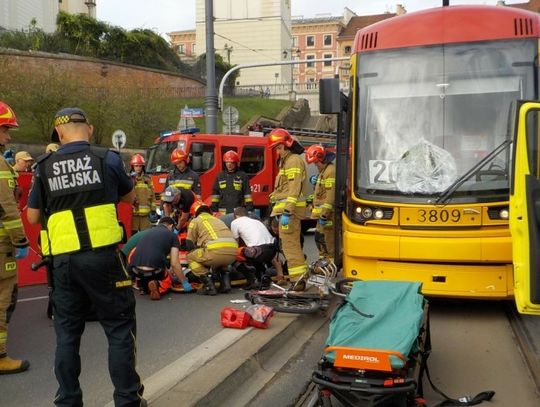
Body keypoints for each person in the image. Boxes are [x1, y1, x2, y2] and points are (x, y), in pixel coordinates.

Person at [26, 107, 145, 406]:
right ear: (89, 129)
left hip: (63, 264)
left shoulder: (44, 166)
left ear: (59, 134)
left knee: (67, 334)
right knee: (118, 329)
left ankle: (68, 401)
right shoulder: (107, 159)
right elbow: (130, 197)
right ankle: (128, 400)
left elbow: (32, 216)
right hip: (104, 260)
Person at [0, 101, 30, 375]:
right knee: (3, 298)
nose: (8, 136)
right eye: (5, 129)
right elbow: (8, 209)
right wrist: (21, 241)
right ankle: (0, 356)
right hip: (2, 247)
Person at [268, 128, 308, 281]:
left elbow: (294, 189)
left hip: (289, 213)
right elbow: (285, 188)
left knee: (290, 246)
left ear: (286, 145)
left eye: (278, 148)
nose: (277, 152)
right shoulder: (287, 162)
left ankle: (298, 280)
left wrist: (287, 211)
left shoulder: (293, 161)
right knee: (290, 245)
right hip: (286, 212)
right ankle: (300, 278)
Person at [127, 217, 192, 300]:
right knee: (167, 280)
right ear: (171, 226)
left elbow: (134, 252)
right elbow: (174, 263)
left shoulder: (147, 232)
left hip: (134, 269)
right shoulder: (172, 236)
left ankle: (142, 286)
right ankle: (158, 285)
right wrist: (184, 282)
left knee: (147, 274)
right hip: (154, 271)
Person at [185, 202, 238, 296]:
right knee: (221, 259)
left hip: (215, 252)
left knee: (190, 256)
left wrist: (197, 253)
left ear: (194, 213)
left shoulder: (195, 220)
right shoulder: (218, 220)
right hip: (233, 253)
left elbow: (189, 243)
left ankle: (209, 286)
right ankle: (225, 284)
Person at [230, 207, 284, 289]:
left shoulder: (235, 222)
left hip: (257, 252)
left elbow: (235, 243)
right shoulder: (257, 221)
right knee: (258, 251)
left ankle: (251, 279)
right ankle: (275, 276)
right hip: (272, 250)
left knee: (234, 253)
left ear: (236, 215)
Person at [305, 144, 336, 261]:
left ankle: (330, 264)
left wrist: (324, 215)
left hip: (327, 216)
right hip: (321, 215)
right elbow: (320, 192)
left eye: (316, 163)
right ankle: (323, 263)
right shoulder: (324, 171)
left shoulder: (330, 171)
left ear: (322, 159)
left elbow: (330, 196)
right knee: (320, 238)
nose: (316, 165)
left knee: (327, 241)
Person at [210, 150, 253, 215]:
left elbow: (247, 194)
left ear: (236, 163)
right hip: (223, 212)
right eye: (227, 162)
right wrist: (214, 210)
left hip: (238, 212)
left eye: (231, 163)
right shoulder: (220, 176)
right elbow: (215, 194)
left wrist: (249, 209)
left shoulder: (242, 176)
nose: (229, 165)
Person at [130, 153, 156, 234]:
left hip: (145, 215)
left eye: (140, 166)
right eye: (136, 165)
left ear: (143, 167)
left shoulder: (147, 179)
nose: (138, 168)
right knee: (132, 237)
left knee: (145, 237)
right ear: (132, 167)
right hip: (133, 215)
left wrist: (153, 210)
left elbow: (153, 195)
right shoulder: (129, 179)